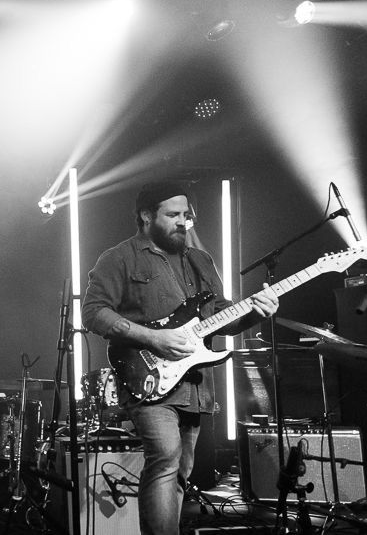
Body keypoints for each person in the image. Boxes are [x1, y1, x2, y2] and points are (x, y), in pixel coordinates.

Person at [83, 181, 279, 535]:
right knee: (165, 458)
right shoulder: (120, 257)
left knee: (181, 470)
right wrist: (153, 337)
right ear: (146, 216)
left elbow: (222, 316)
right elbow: (94, 313)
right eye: (173, 214)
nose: (182, 221)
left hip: (195, 384)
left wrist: (255, 312)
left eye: (186, 214)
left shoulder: (200, 260)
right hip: (147, 376)